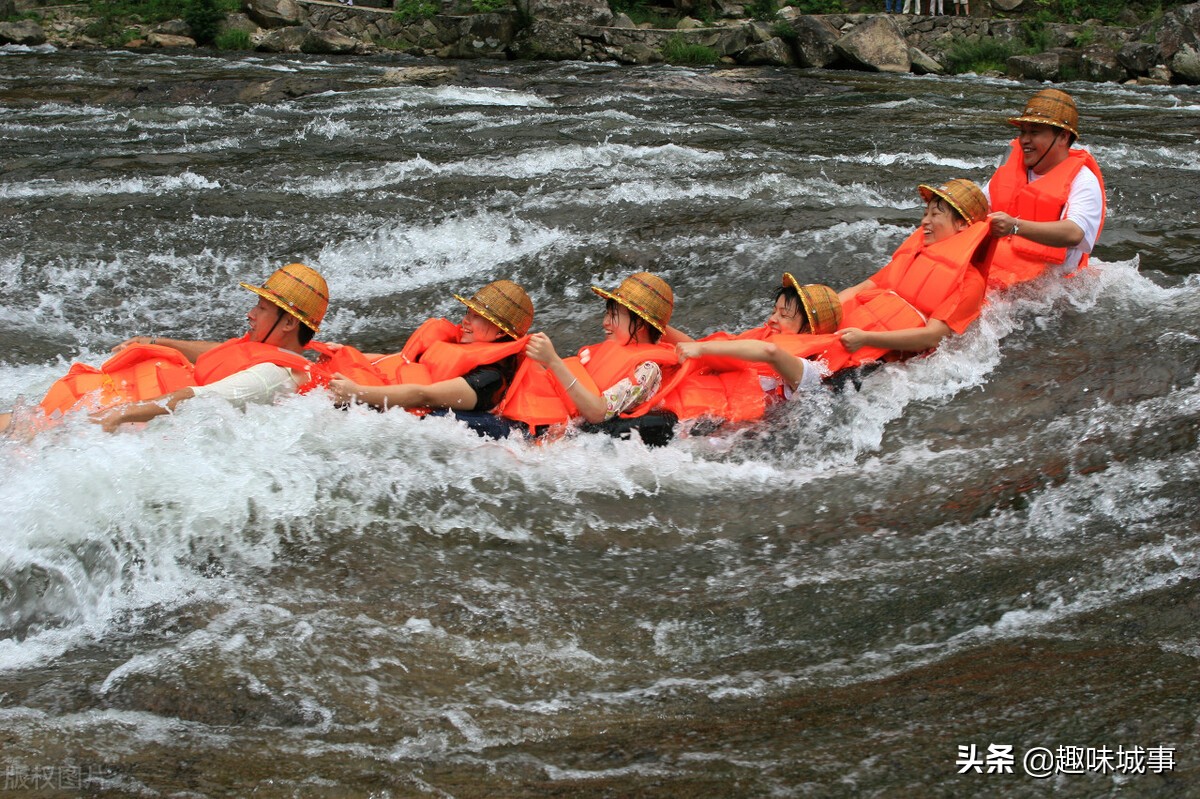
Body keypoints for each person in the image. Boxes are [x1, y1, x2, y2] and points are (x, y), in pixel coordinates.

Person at [0, 263, 332, 436]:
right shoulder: (266, 348)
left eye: (261, 308)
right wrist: (160, 343)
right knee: (26, 421)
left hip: (143, 420)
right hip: (132, 400)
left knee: (30, 428)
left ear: (288, 323)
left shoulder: (273, 376)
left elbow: (203, 398)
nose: (250, 313)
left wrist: (123, 413)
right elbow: (219, 353)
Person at [831, 178, 992, 366]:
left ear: (962, 224)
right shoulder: (914, 255)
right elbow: (862, 287)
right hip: (861, 338)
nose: (924, 221)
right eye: (925, 214)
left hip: (892, 362)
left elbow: (932, 337)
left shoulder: (970, 283)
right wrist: (824, 314)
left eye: (935, 215)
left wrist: (866, 338)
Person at [495, 272, 678, 430]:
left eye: (613, 316)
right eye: (607, 314)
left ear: (639, 324)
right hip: (552, 413)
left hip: (576, 431)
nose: (605, 322)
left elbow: (598, 413)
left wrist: (553, 361)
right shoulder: (609, 350)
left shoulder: (647, 369)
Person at [326, 279, 533, 414]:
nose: (465, 322)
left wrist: (357, 392)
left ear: (500, 332)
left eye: (477, 317)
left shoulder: (490, 379)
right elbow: (401, 360)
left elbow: (424, 395)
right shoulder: (459, 344)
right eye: (468, 313)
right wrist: (347, 352)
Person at [653, 278, 842, 423]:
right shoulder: (758, 338)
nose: (772, 320)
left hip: (737, 431)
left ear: (808, 330)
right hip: (707, 408)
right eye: (774, 311)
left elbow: (770, 352)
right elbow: (702, 353)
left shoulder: (811, 372)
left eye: (784, 315)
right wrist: (657, 325)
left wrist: (701, 348)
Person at [985, 88, 1106, 289]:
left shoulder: (1083, 181)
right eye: (1023, 132)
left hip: (1052, 292)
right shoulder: (1012, 170)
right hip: (1003, 273)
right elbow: (979, 207)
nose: (1024, 140)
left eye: (1034, 132)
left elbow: (1074, 232)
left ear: (1063, 137)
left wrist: (1014, 226)